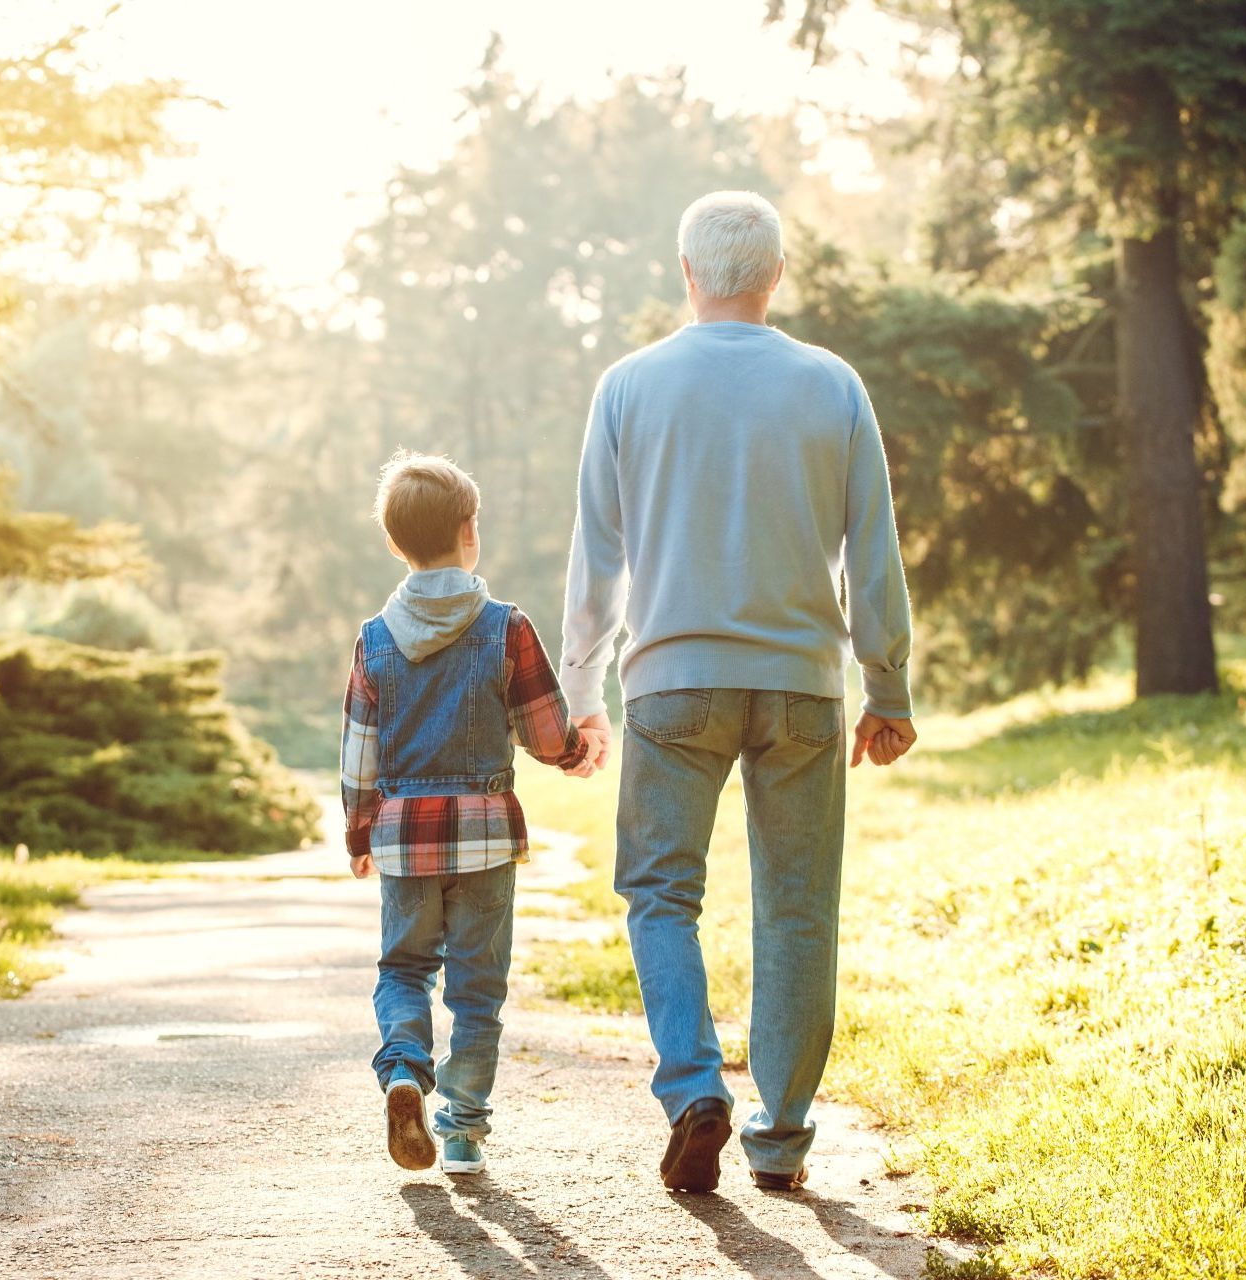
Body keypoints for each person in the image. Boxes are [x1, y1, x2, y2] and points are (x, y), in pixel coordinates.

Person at [560, 190, 917, 1194]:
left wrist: (580, 687)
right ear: (774, 278)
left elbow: (599, 556)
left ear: (687, 274)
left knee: (660, 893)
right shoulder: (832, 384)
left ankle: (691, 1086)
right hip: (803, 687)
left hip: (671, 686)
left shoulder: (629, 385)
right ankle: (781, 1139)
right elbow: (874, 552)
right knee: (799, 909)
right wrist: (887, 684)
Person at [341, 451, 601, 1177]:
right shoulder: (505, 626)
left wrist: (360, 833)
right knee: (478, 990)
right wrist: (581, 752)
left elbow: (358, 752)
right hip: (485, 837)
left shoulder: (374, 638)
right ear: (469, 531)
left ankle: (402, 1069)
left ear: (395, 544)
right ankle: (461, 1131)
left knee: (404, 969)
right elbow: (546, 732)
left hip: (402, 837)